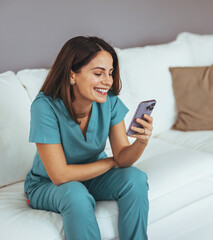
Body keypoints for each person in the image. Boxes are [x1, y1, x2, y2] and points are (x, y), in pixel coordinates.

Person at [24, 36, 152, 240]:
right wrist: (111, 162)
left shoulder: (108, 101)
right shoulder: (44, 106)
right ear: (72, 75)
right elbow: (60, 175)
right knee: (76, 194)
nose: (108, 81)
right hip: (49, 184)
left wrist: (142, 141)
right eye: (98, 73)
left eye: (110, 73)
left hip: (93, 175)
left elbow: (124, 158)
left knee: (136, 178)